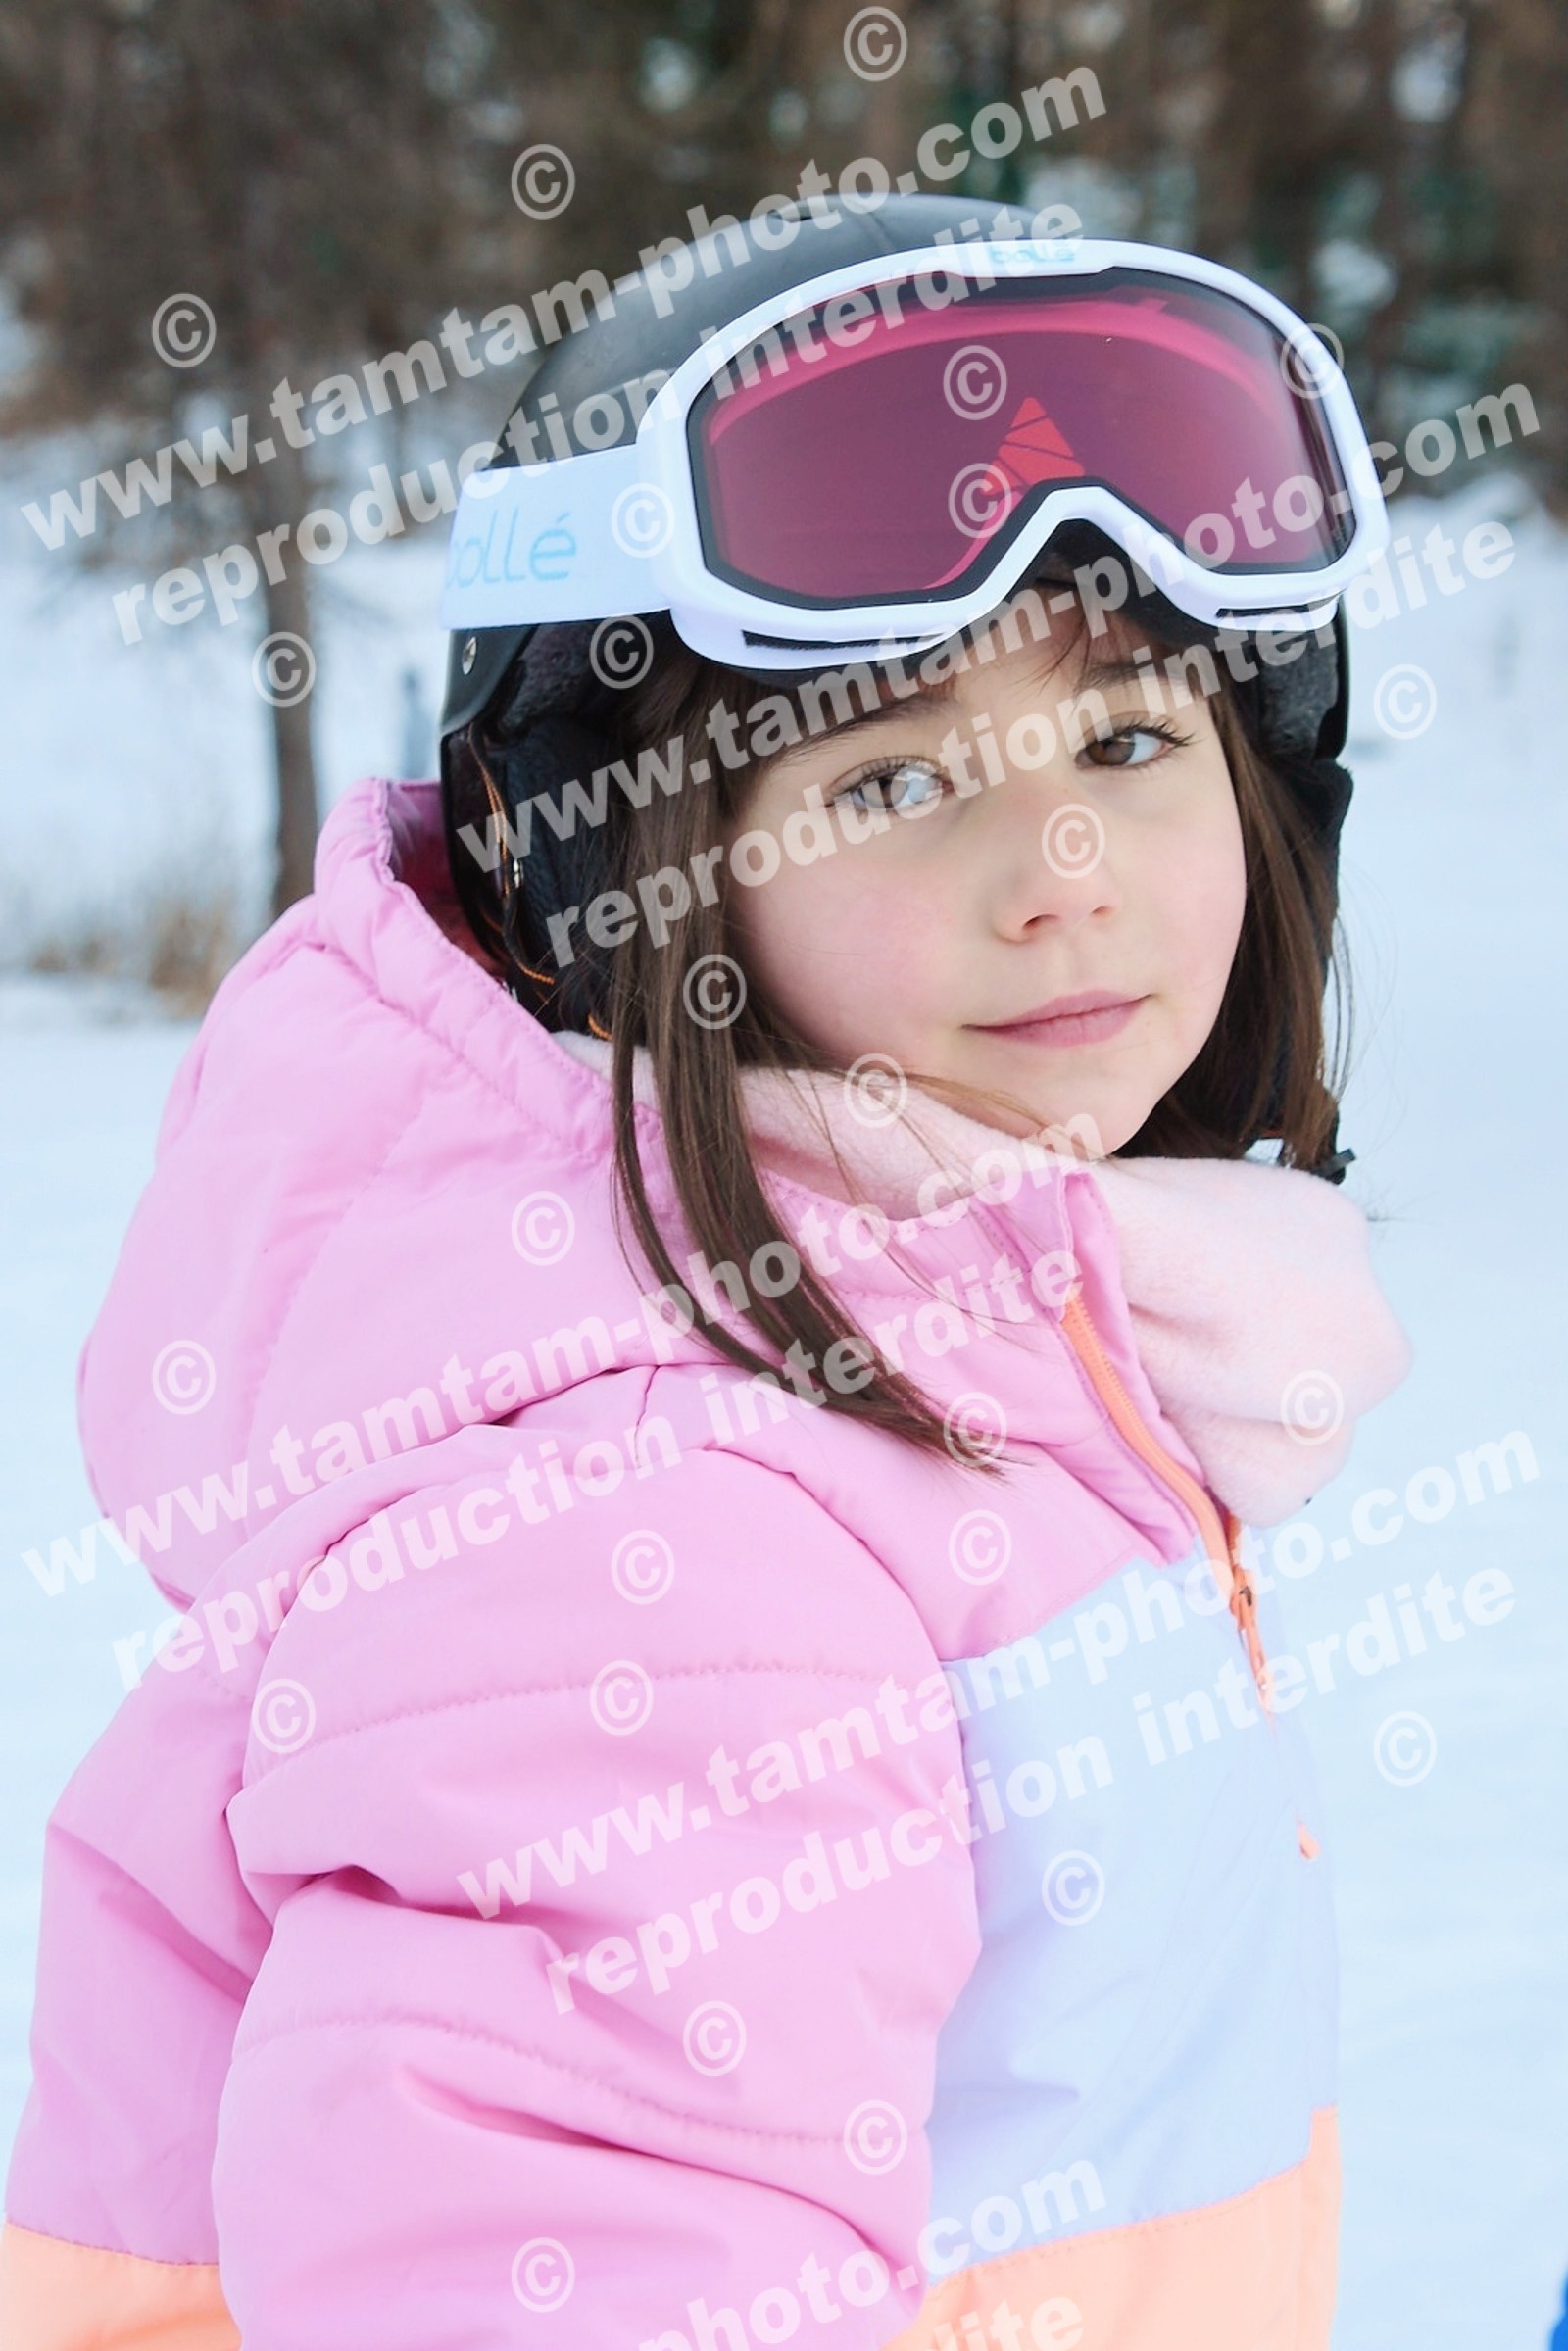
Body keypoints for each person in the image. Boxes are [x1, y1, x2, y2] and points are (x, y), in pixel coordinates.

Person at [0, 199, 1411, 2350]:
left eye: (1128, 740)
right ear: (630, 872)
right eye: (896, 775)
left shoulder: (953, 1375)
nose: (1060, 873)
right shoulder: (664, 1544)